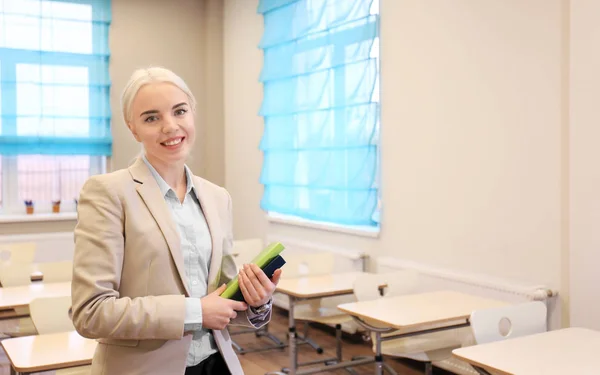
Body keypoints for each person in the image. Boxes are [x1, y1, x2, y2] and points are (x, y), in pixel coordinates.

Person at [70, 67, 282, 375]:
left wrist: (256, 299)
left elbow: (221, 298)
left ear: (192, 114)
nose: (170, 126)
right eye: (151, 117)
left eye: (179, 111)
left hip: (217, 363)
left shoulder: (218, 197)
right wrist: (196, 312)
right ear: (133, 129)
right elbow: (91, 312)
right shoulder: (107, 193)